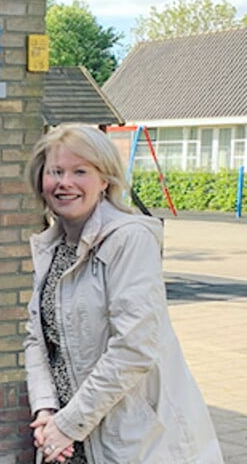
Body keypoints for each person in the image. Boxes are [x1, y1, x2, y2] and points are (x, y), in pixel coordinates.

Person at [23, 125, 223, 463]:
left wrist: (68, 424)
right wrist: (45, 410)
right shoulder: (52, 247)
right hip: (68, 439)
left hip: (132, 441)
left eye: (80, 171)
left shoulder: (129, 239)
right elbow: (37, 340)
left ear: (105, 180)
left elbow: (135, 347)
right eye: (55, 171)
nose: (64, 182)